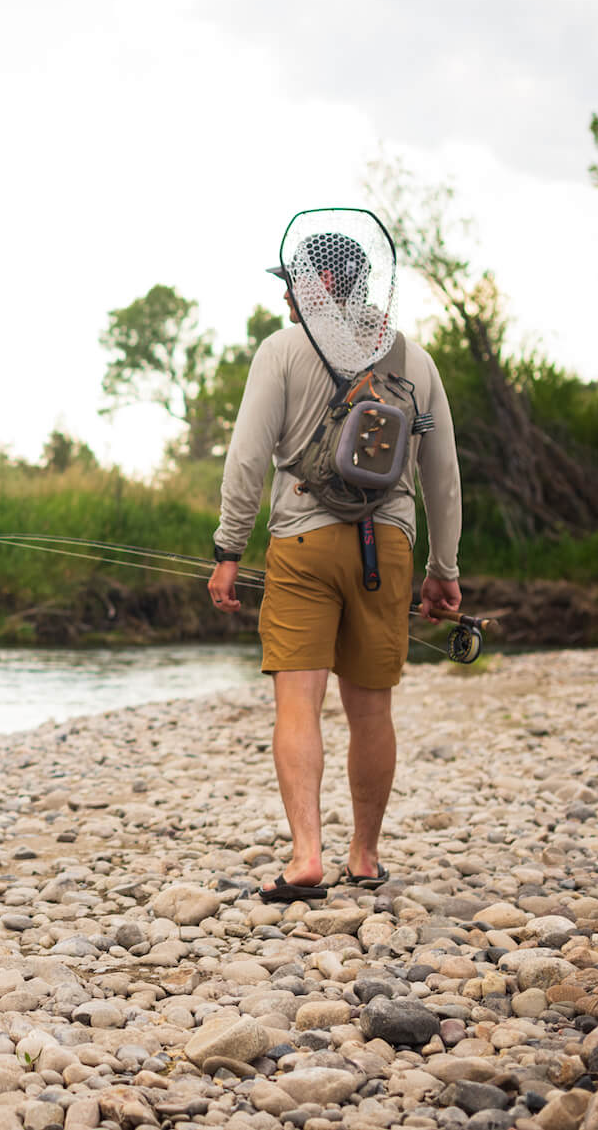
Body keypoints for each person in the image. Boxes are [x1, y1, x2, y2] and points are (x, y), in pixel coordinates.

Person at [207, 222, 463, 902]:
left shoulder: (282, 352)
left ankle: (306, 856)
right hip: (392, 548)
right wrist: (446, 568)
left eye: (293, 282)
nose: (287, 297)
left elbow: (247, 457)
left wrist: (229, 549)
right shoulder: (414, 358)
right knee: (371, 707)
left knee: (299, 701)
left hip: (302, 546)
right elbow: (443, 474)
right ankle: (366, 855)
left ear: (319, 285)